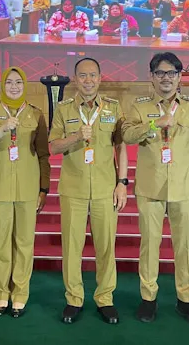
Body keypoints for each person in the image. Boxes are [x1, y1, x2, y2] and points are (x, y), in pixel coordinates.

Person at [121, 52, 189, 326]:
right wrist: (153, 124)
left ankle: (186, 299)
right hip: (150, 186)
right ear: (151, 77)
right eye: (160, 73)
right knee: (150, 245)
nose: (166, 78)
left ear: (180, 76)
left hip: (183, 186)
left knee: (184, 246)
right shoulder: (139, 106)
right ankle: (148, 298)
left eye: (171, 73)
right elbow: (127, 135)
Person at [49, 57, 128, 325]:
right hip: (74, 188)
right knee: (72, 248)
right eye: (82, 75)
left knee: (106, 247)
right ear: (75, 79)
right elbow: (53, 146)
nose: (88, 80)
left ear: (100, 77)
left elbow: (121, 147)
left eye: (93, 75)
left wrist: (122, 182)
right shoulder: (63, 109)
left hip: (106, 188)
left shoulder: (113, 107)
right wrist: (75, 137)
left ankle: (105, 299)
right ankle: (74, 299)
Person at [0, 67, 50, 318]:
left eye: (19, 82)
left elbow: (43, 154)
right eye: (9, 82)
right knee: (1, 244)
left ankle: (20, 294)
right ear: (2, 84)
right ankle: (1, 293)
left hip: (28, 188)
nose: (14, 86)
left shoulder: (35, 113)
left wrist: (44, 188)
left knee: (24, 243)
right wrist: (1, 129)